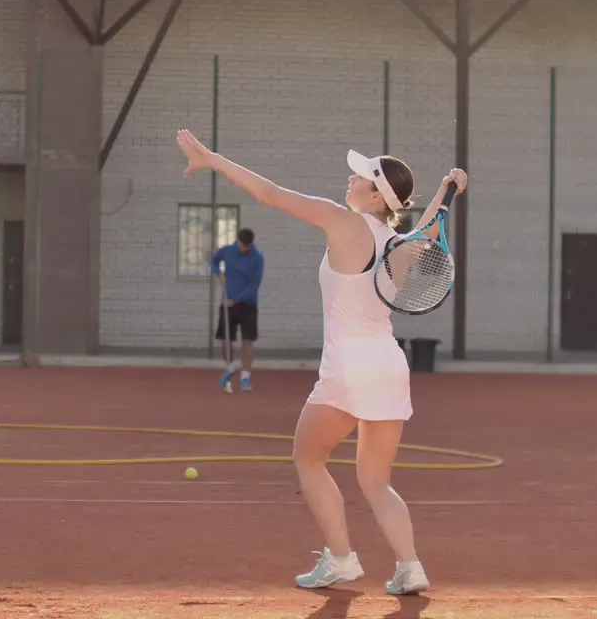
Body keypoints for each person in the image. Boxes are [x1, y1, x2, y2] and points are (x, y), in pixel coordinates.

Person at [174, 128, 467, 596]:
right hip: (389, 367)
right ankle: (410, 566)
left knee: (308, 458)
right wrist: (445, 189)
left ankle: (341, 558)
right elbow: (426, 225)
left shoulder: (340, 221)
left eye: (359, 178)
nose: (348, 180)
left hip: (349, 368)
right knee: (376, 481)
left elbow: (270, 194)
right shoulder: (401, 246)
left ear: (375, 195)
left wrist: (214, 160)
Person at [211, 227, 264, 393]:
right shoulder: (227, 251)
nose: (243, 249)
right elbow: (213, 261)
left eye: (246, 247)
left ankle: (245, 377)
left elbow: (254, 285)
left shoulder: (258, 258)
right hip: (227, 302)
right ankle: (231, 366)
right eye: (241, 245)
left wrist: (236, 300)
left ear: (251, 245)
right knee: (226, 340)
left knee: (247, 341)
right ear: (238, 241)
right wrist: (219, 273)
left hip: (247, 304)